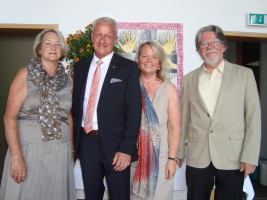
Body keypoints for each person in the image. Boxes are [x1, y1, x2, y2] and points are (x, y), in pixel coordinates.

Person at [177, 25, 261, 200]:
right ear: (199, 50)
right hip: (198, 155)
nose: (210, 47)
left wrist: (250, 156)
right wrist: (179, 151)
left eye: (214, 42)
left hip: (233, 155)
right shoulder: (188, 80)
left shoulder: (244, 75)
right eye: (204, 44)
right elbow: (183, 118)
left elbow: (254, 118)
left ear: (223, 46)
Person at [0, 29, 75, 199]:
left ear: (62, 50)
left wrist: (71, 152)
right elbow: (9, 117)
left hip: (59, 153)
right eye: (48, 43)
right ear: (39, 49)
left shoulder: (69, 80)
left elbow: (68, 117)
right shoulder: (24, 75)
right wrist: (16, 156)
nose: (53, 47)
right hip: (29, 152)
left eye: (58, 44)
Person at [72, 17, 142, 200]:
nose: (102, 41)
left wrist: (126, 149)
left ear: (115, 39)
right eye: (99, 35)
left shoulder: (129, 68)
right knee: (92, 195)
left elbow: (134, 112)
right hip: (87, 142)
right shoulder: (80, 67)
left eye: (108, 36)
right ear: (92, 37)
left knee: (119, 195)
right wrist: (74, 147)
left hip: (117, 146)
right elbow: (76, 107)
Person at [130, 41, 181, 200]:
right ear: (138, 60)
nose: (149, 60)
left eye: (154, 57)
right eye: (144, 56)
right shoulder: (129, 86)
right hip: (134, 159)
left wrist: (172, 160)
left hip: (161, 160)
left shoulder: (169, 89)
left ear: (160, 63)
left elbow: (174, 128)